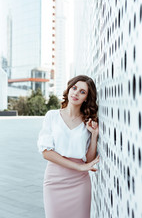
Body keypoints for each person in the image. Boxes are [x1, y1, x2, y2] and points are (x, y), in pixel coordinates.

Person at [37, 75, 100, 218]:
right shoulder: (52, 116)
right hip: (55, 180)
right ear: (69, 89)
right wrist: (79, 167)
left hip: (80, 183)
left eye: (82, 92)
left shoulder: (87, 122)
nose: (76, 93)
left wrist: (94, 135)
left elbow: (88, 160)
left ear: (87, 98)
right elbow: (46, 152)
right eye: (74, 88)